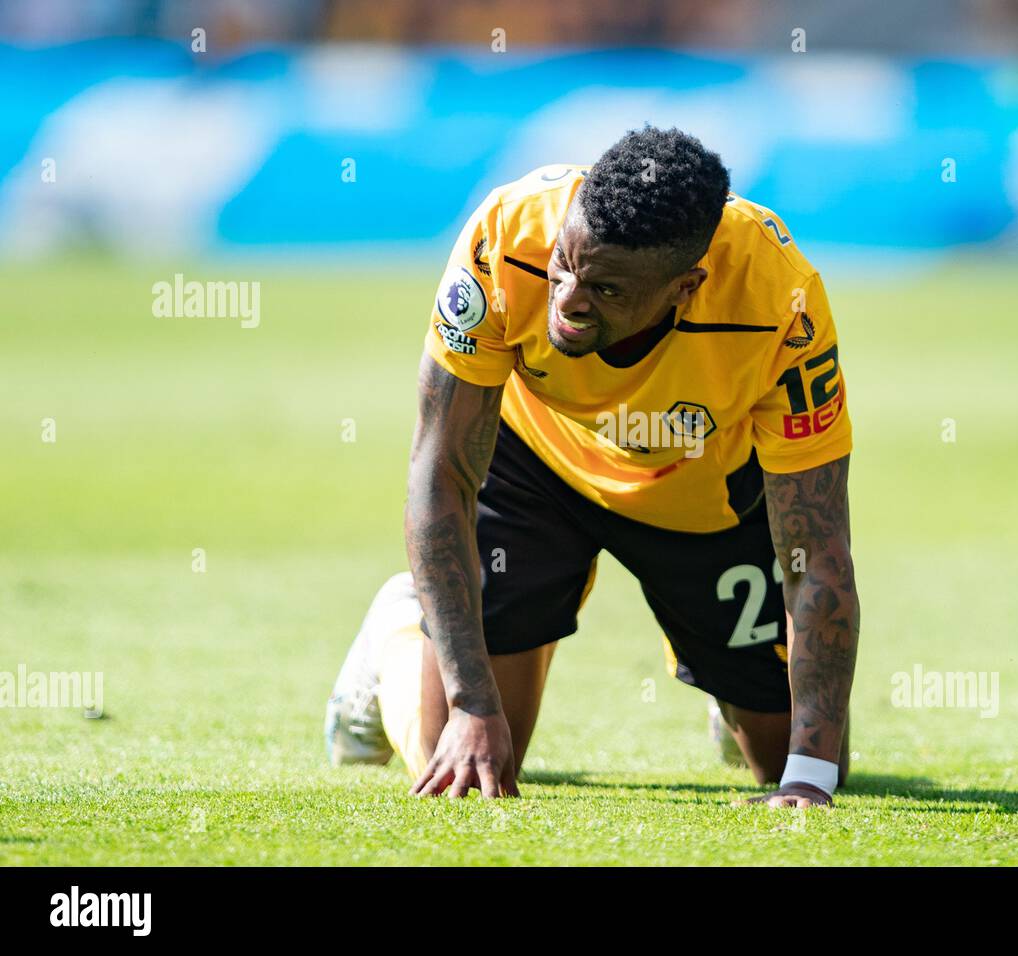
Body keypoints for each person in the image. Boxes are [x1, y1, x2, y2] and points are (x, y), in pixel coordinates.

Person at [327, 127, 858, 808]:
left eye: (605, 288)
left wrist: (808, 778)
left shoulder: (781, 303)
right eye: (566, 263)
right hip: (535, 467)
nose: (569, 298)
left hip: (702, 495)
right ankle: (399, 631)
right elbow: (440, 475)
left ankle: (735, 693)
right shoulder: (505, 235)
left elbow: (815, 550)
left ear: (685, 287)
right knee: (458, 759)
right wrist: (469, 701)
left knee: (807, 759)